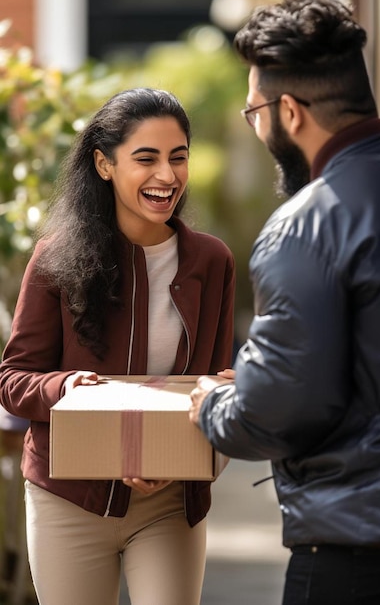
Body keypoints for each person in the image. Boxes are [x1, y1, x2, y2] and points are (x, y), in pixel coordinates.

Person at [189, 0, 380, 605]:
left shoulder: (305, 226)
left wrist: (214, 406)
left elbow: (277, 413)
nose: (256, 128)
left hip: (367, 554)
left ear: (289, 111)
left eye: (254, 113)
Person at [0, 87, 235, 605]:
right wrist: (67, 387)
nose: (167, 176)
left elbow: (213, 379)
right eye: (145, 159)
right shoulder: (55, 258)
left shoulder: (211, 261)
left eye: (178, 158)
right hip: (70, 497)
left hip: (171, 496)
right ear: (105, 165)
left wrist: (230, 387)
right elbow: (12, 381)